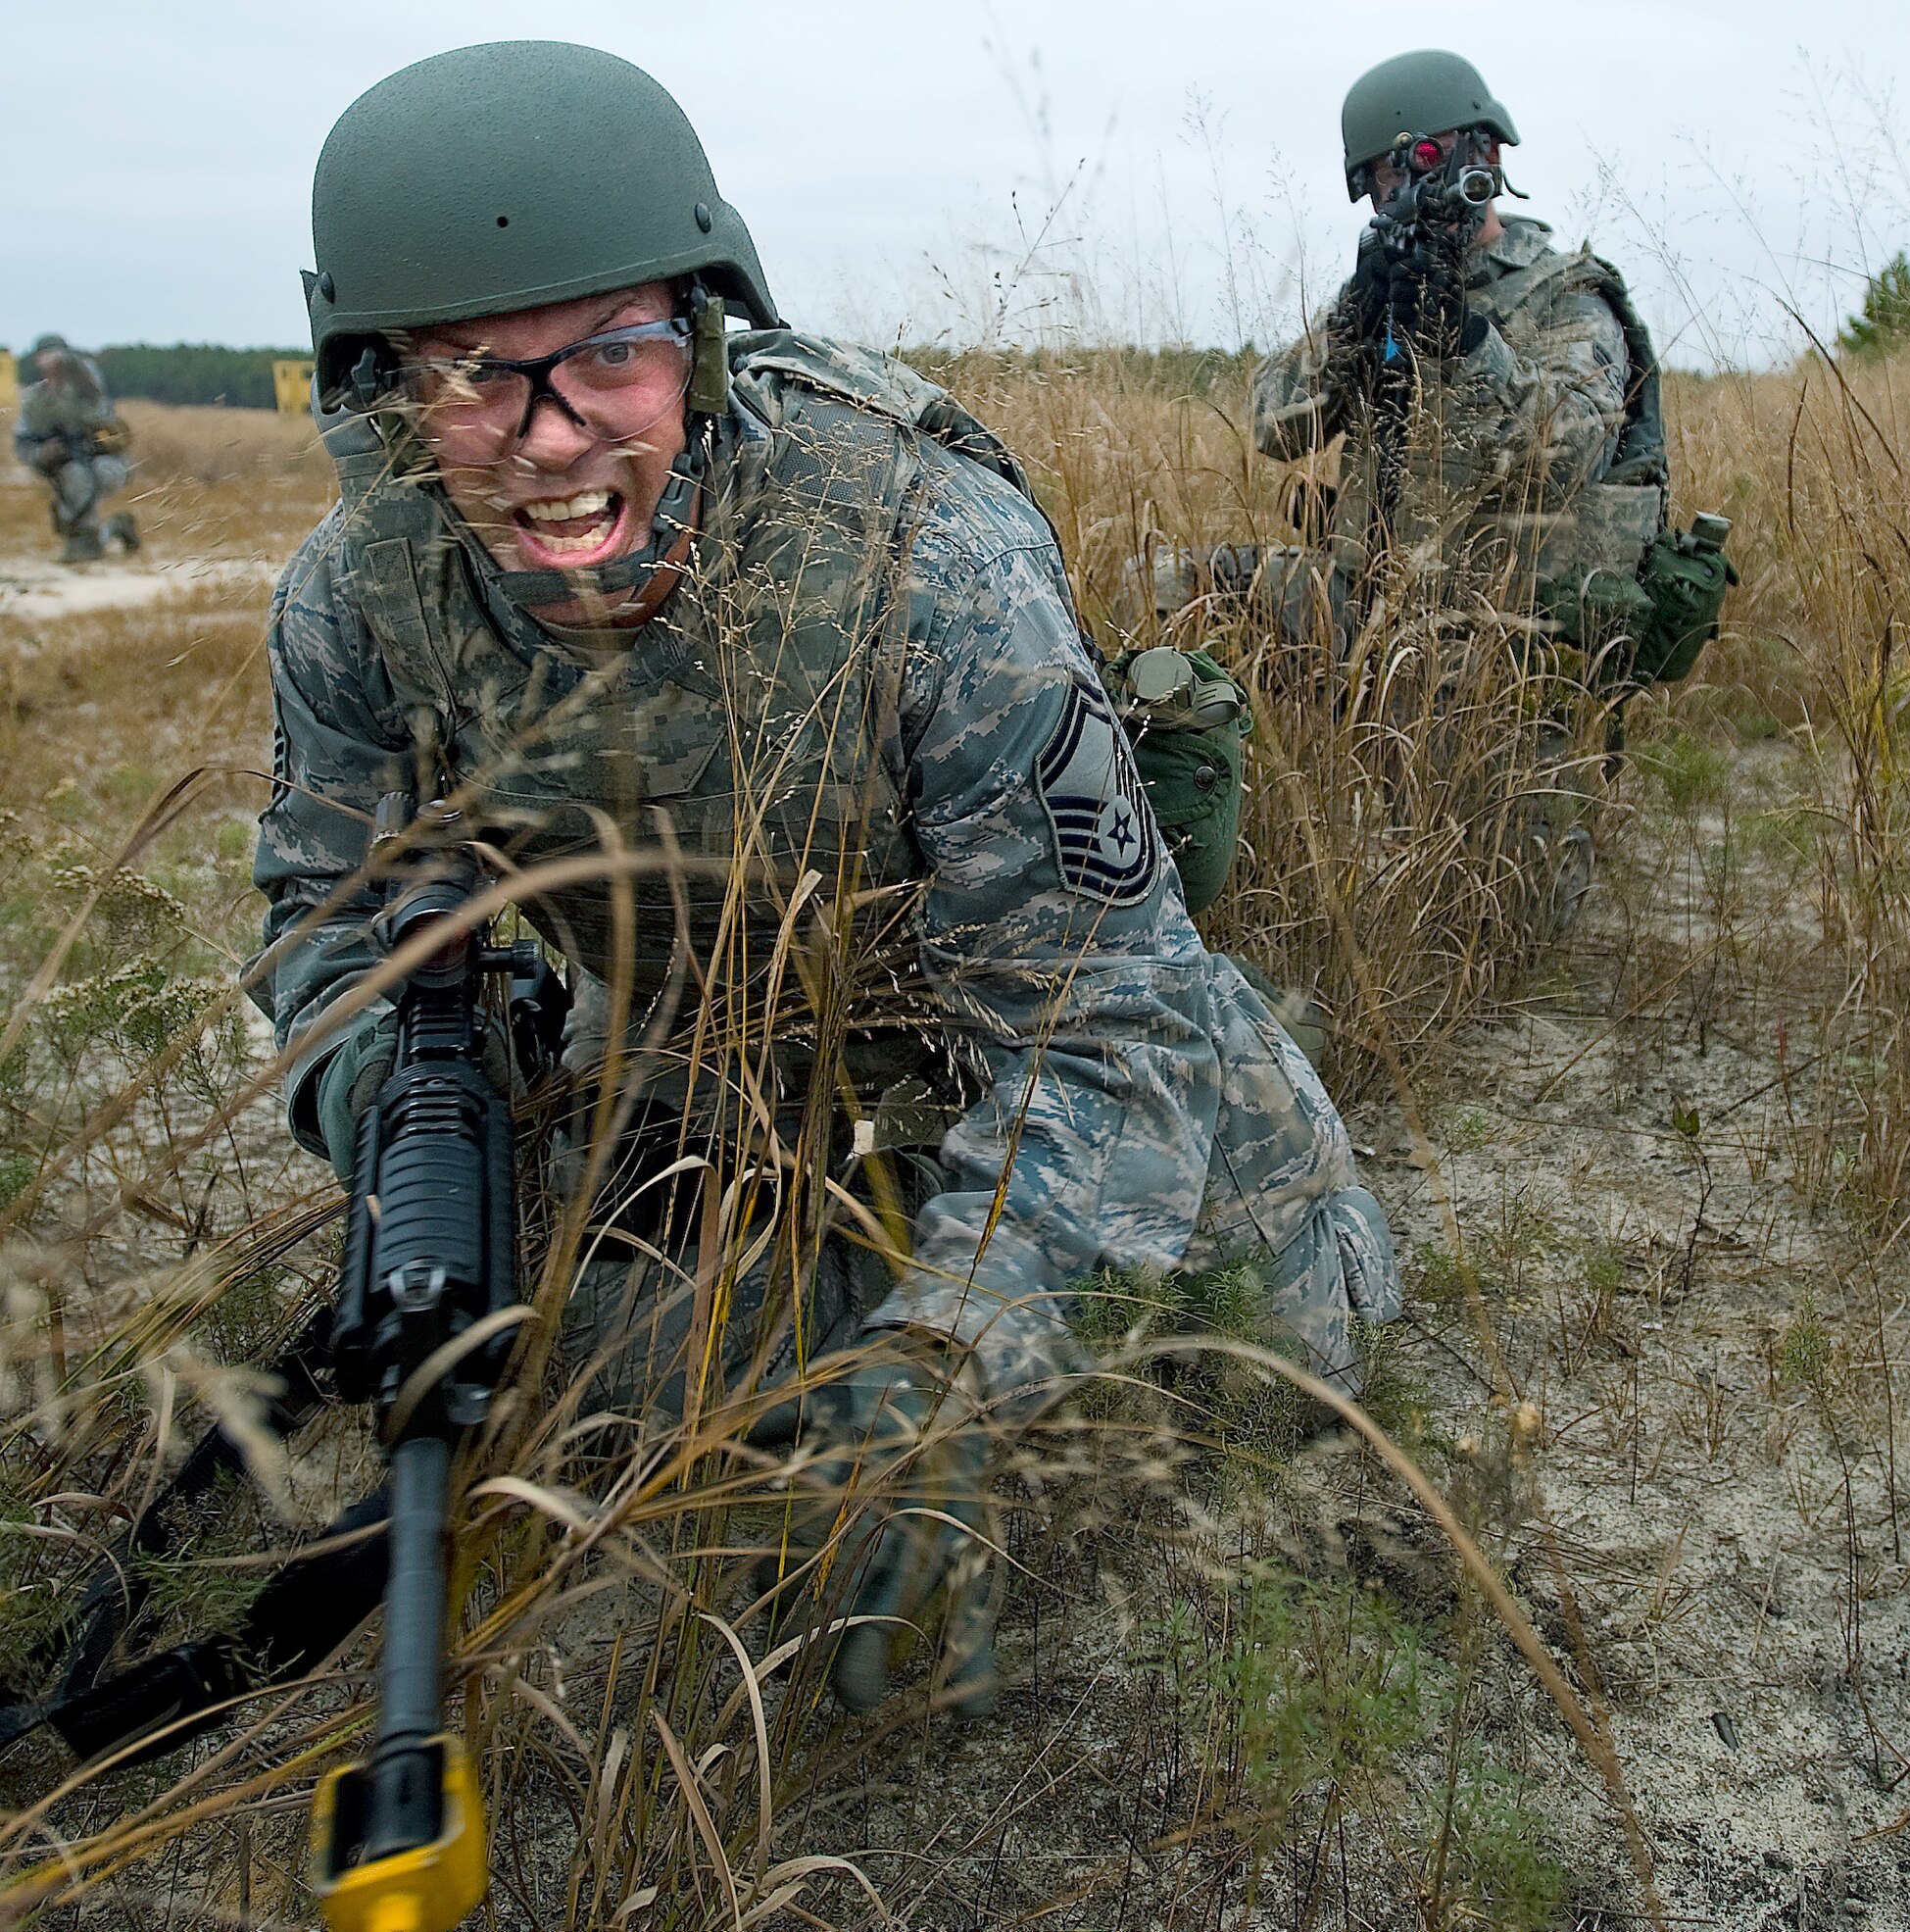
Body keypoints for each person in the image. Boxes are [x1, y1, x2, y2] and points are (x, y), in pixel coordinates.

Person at [246, 40, 1400, 1717]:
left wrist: (950, 1376)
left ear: (702, 340)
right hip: (692, 1048)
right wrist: (400, 1102)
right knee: (601, 1393)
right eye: (470, 377)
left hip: (994, 1019)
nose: (549, 440)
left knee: (1277, 1355)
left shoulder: (921, 549)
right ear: (381, 394)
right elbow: (322, 922)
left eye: (610, 359)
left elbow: (1101, 1016)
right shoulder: (356, 599)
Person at [1154, 51, 1722, 933]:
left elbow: (1558, 455)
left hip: (1495, 643)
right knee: (1166, 591)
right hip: (1364, 602)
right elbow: (1275, 428)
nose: (1401, 190)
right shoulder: (1385, 286)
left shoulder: (1569, 299)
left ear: (1485, 157)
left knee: (1500, 925)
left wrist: (1463, 340)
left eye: (1419, 164)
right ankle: (1183, 836)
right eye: (1381, 178)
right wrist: (1355, 313)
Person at [12, 334, 139, 563]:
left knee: (96, 477)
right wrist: (43, 453)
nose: (53, 363)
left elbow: (107, 419)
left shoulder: (87, 388)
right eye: (46, 356)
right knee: (76, 480)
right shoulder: (36, 400)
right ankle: (101, 533)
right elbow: (23, 442)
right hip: (64, 466)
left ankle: (93, 536)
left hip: (104, 462)